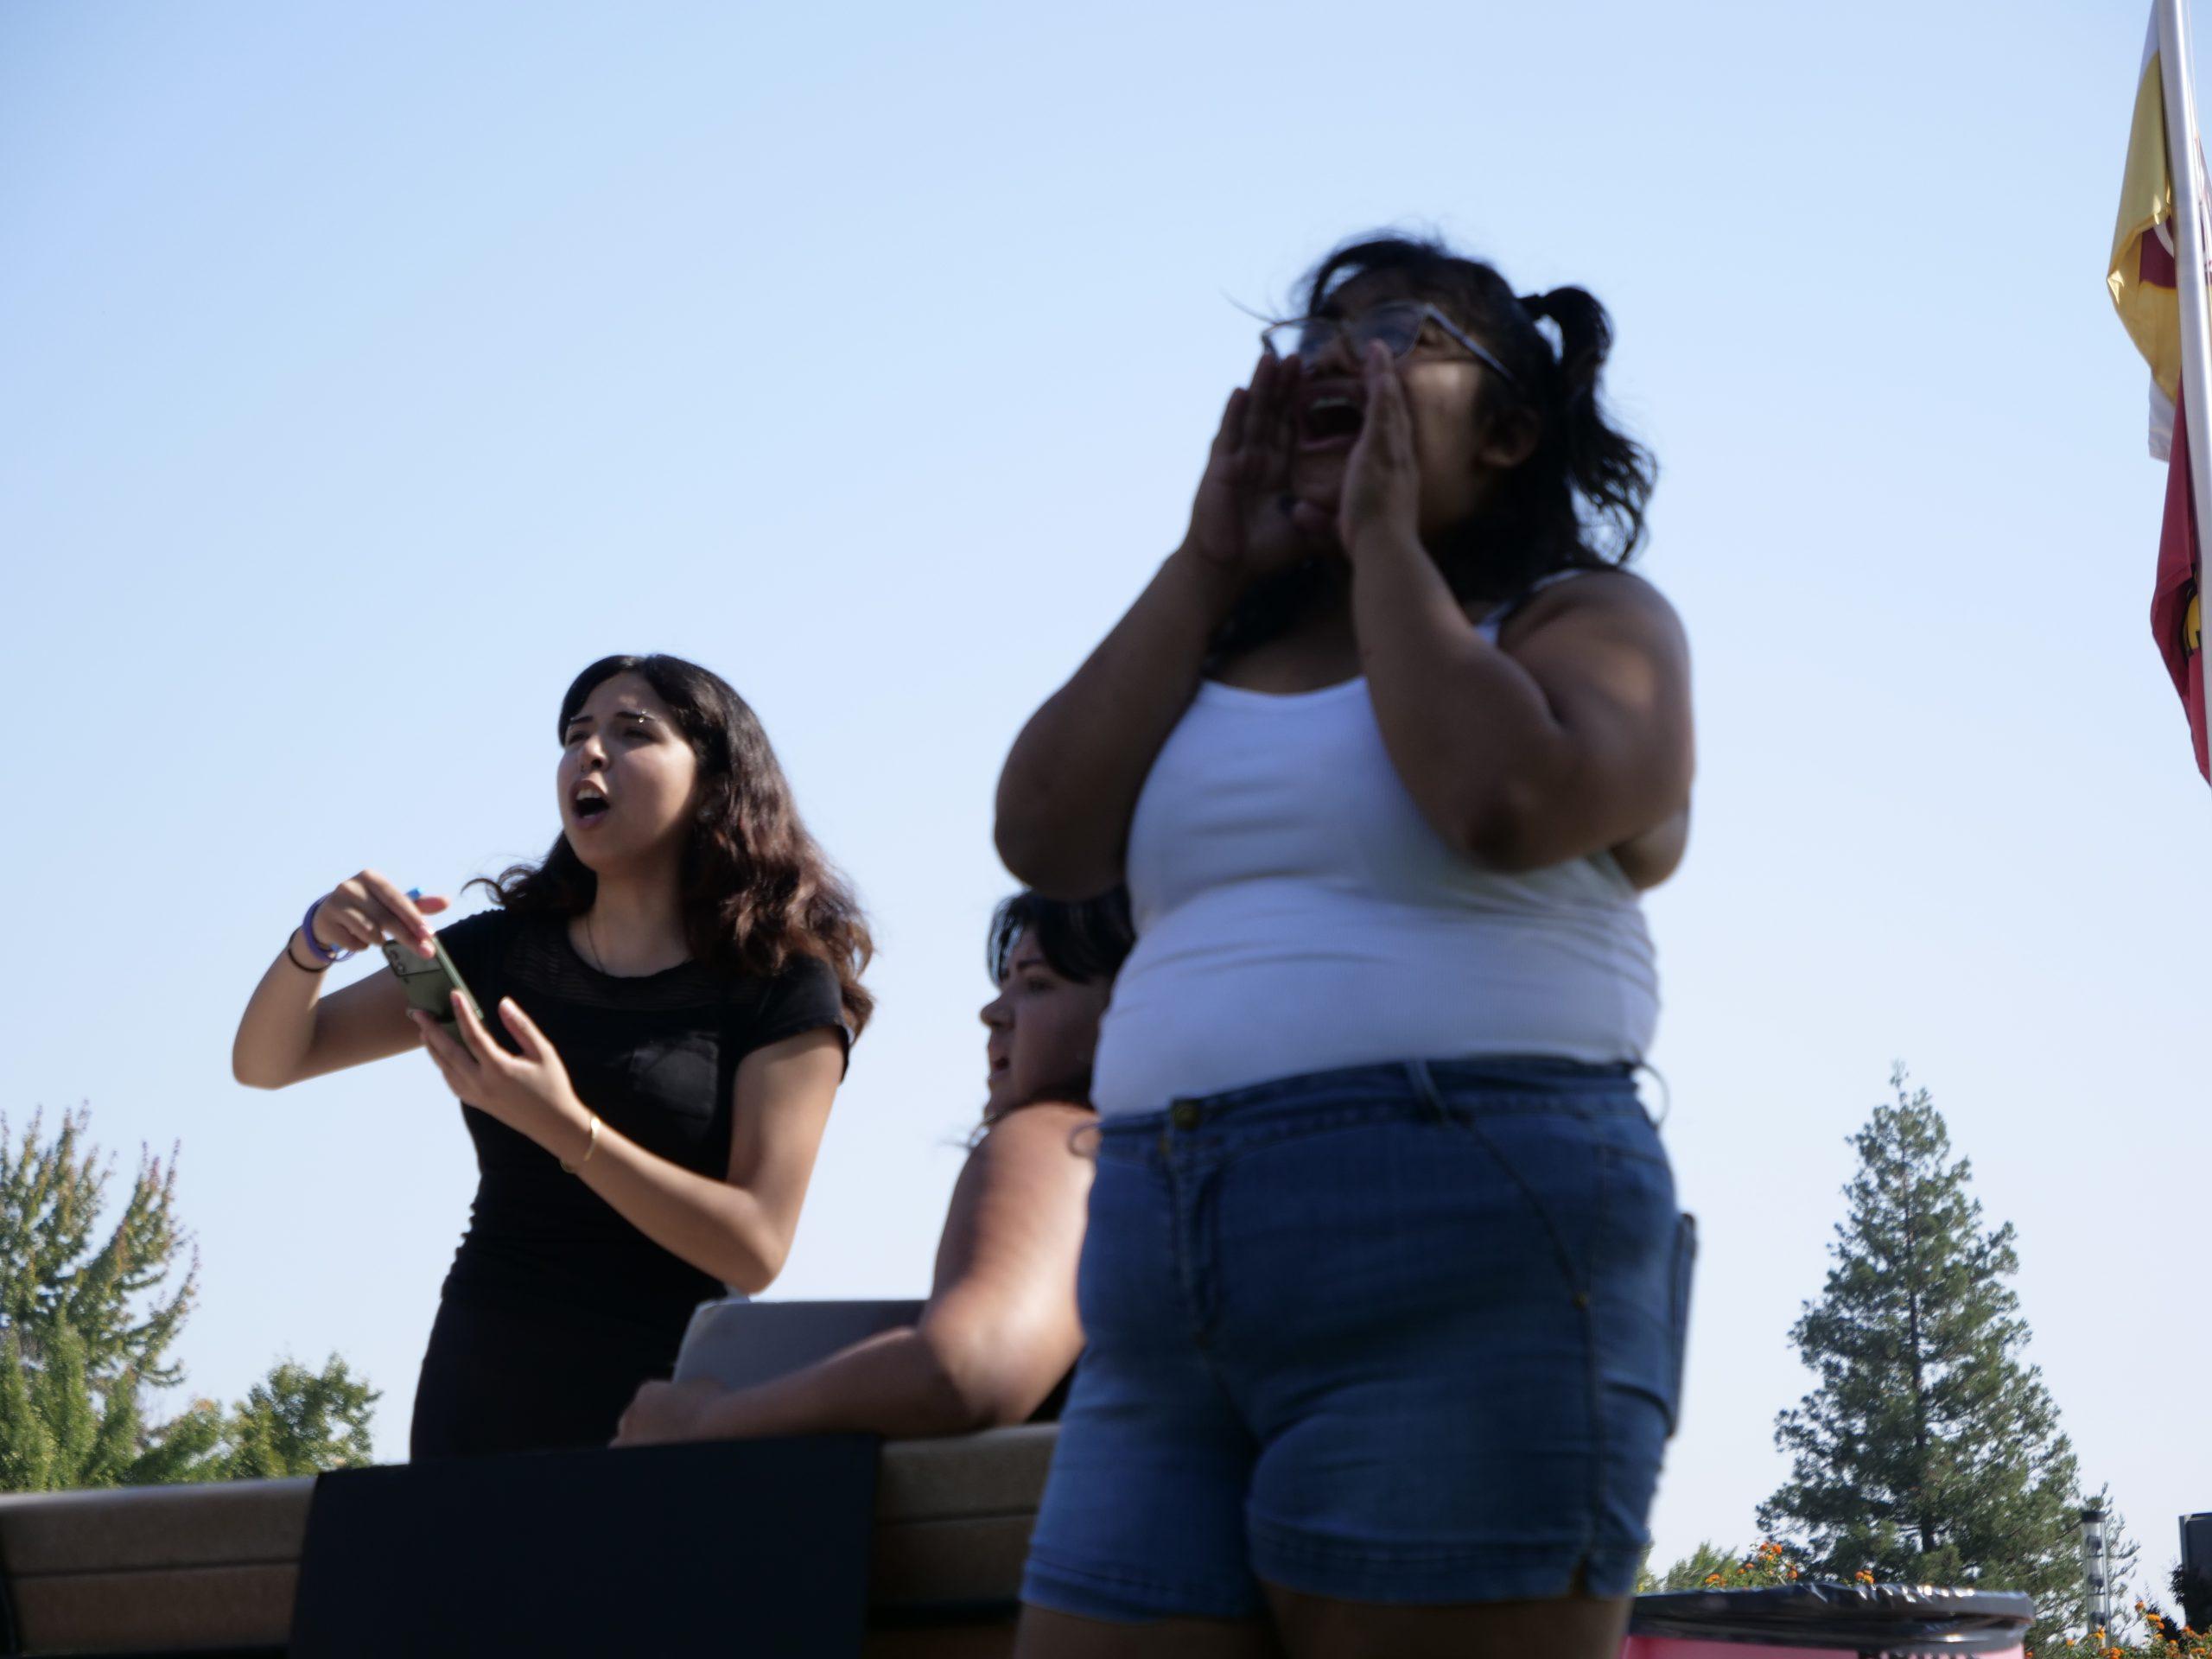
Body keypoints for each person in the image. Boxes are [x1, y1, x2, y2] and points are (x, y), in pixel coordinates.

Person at [993, 234, 1697, 1659]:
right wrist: (1206, 563)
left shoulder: (1584, 621)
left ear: (1509, 431)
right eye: (1318, 329)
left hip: (1462, 1233)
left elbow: (1506, 800)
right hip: (1160, 1251)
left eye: (1403, 329)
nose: (1336, 351)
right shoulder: (1209, 649)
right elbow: (1046, 833)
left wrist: (1382, 542)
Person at [232, 653, 870, 1459]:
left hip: (668, 1415)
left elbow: (756, 1246)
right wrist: (314, 941)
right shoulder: (501, 953)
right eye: (576, 735)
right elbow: (268, 1061)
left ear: (715, 783)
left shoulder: (779, 983)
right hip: (481, 1385)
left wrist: (566, 1127)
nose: (590, 753)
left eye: (632, 731)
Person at [611, 887, 1132, 1446]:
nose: (992, 1012)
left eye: (1036, 983)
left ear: (1135, 1005)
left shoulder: (1053, 1135)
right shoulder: (1141, 1155)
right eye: (1004, 983)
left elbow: (956, 1372)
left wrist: (705, 1421)